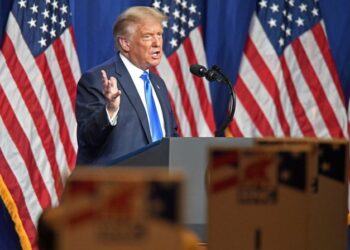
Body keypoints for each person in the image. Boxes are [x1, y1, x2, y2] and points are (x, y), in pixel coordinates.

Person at [75, 6, 178, 165]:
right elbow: (87, 137)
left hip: (157, 184)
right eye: (147, 36)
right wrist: (110, 110)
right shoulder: (97, 80)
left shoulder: (157, 84)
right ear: (125, 43)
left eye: (159, 35)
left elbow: (170, 135)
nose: (157, 43)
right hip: (114, 186)